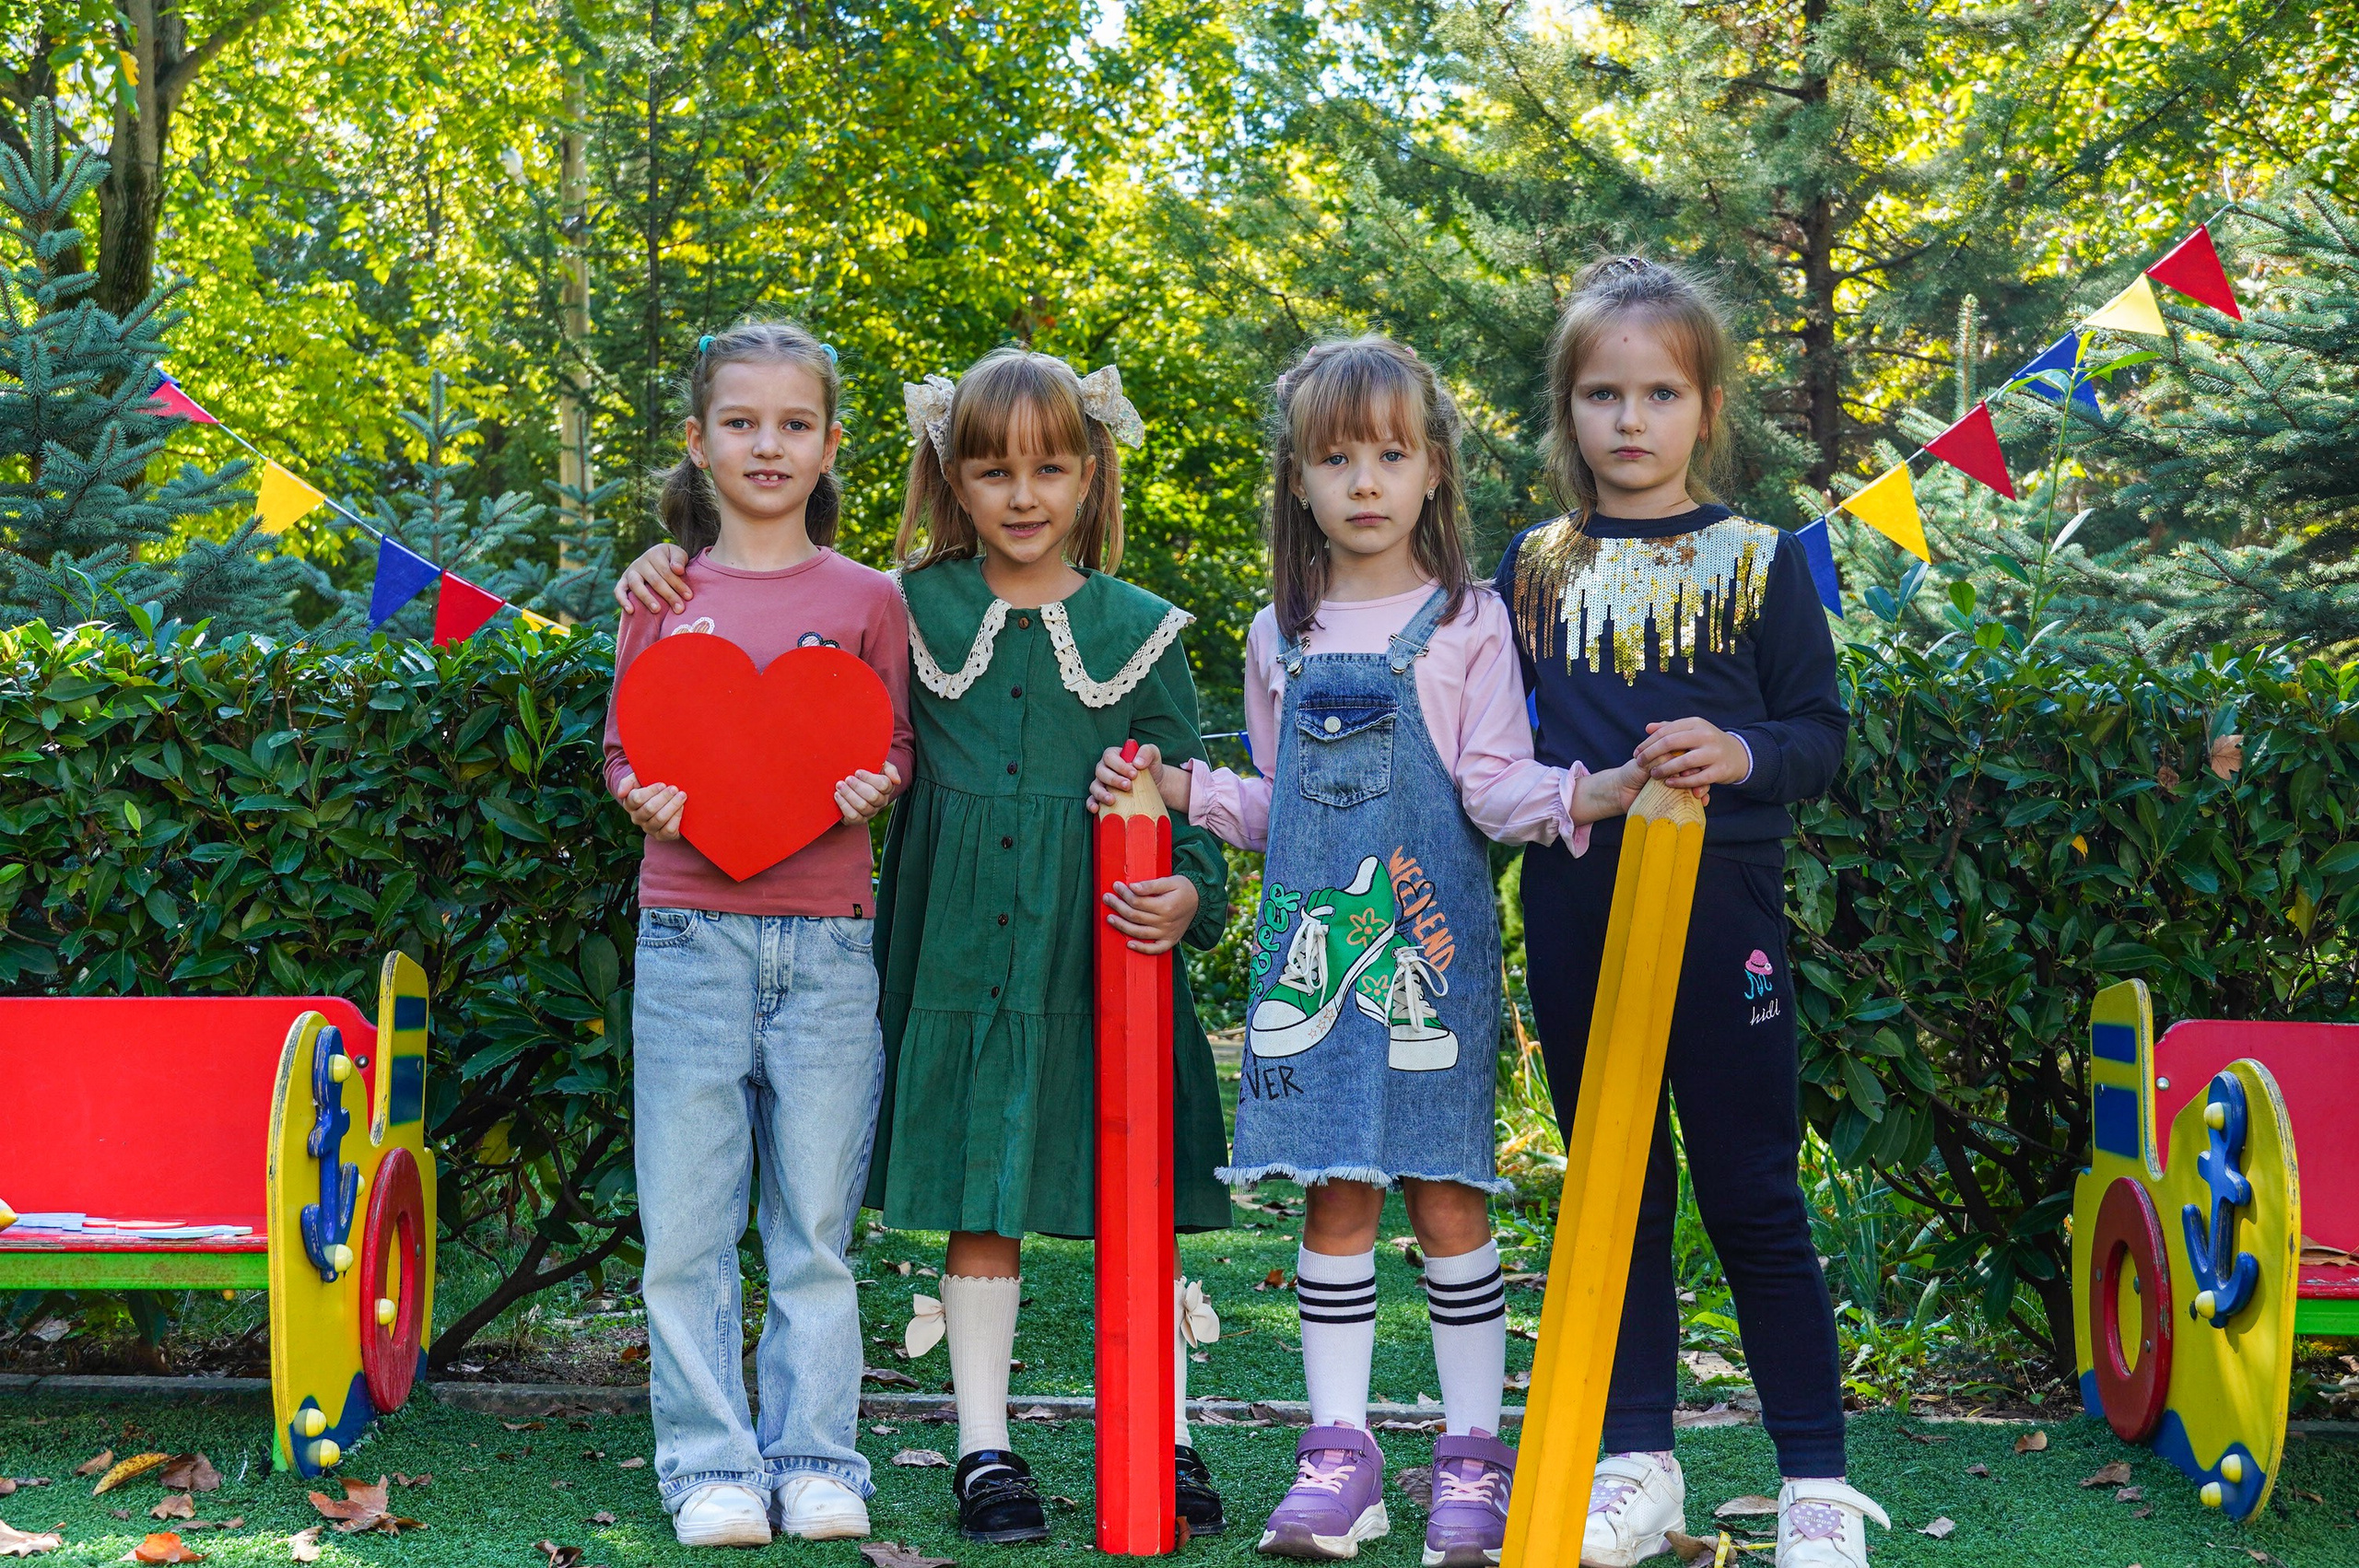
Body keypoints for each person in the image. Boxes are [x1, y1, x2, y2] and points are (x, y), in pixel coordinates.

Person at [615, 346, 1234, 1545]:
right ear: (950, 474)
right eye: (992, 467)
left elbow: (1196, 794)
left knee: (1132, 1196)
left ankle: (1162, 1428)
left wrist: (1189, 894)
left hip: (1099, 961)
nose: (1022, 493)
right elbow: (800, 656)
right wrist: (663, 562)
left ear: (1091, 469)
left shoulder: (1143, 631)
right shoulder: (908, 606)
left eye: (1051, 466)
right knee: (977, 1197)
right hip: (956, 966)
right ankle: (984, 1447)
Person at [1097, 336, 1645, 1568]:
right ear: (1298, 479)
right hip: (1313, 965)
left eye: (1390, 454)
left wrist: (1591, 792)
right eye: (1335, 456)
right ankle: (1339, 1455)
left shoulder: (1468, 623)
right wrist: (1183, 785)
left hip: (1429, 960)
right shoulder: (1272, 635)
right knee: (1337, 1191)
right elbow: (1278, 805)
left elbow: (1496, 787)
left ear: (1433, 470)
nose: (1363, 480)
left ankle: (1468, 1454)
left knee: (1448, 1195)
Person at [1495, 256, 1884, 1568]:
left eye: (1660, 392)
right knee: (1619, 1190)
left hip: (1726, 922)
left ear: (1705, 406)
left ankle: (1816, 1485)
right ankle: (1636, 1460)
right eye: (1603, 393)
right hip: (1576, 913)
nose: (1631, 420)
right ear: (1570, 411)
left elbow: (1819, 736)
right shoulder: (1531, 567)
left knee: (1753, 1190)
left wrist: (1742, 753)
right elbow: (1503, 753)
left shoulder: (1762, 562)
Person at [602, 319, 913, 1549]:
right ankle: (709, 1464)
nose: (767, 444)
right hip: (689, 936)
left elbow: (887, 737)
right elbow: (630, 743)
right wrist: (641, 793)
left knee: (814, 1228)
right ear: (698, 440)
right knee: (684, 1224)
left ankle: (816, 1455)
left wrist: (874, 780)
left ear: (832, 444)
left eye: (794, 424)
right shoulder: (665, 594)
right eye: (742, 422)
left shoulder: (869, 600)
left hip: (829, 940)